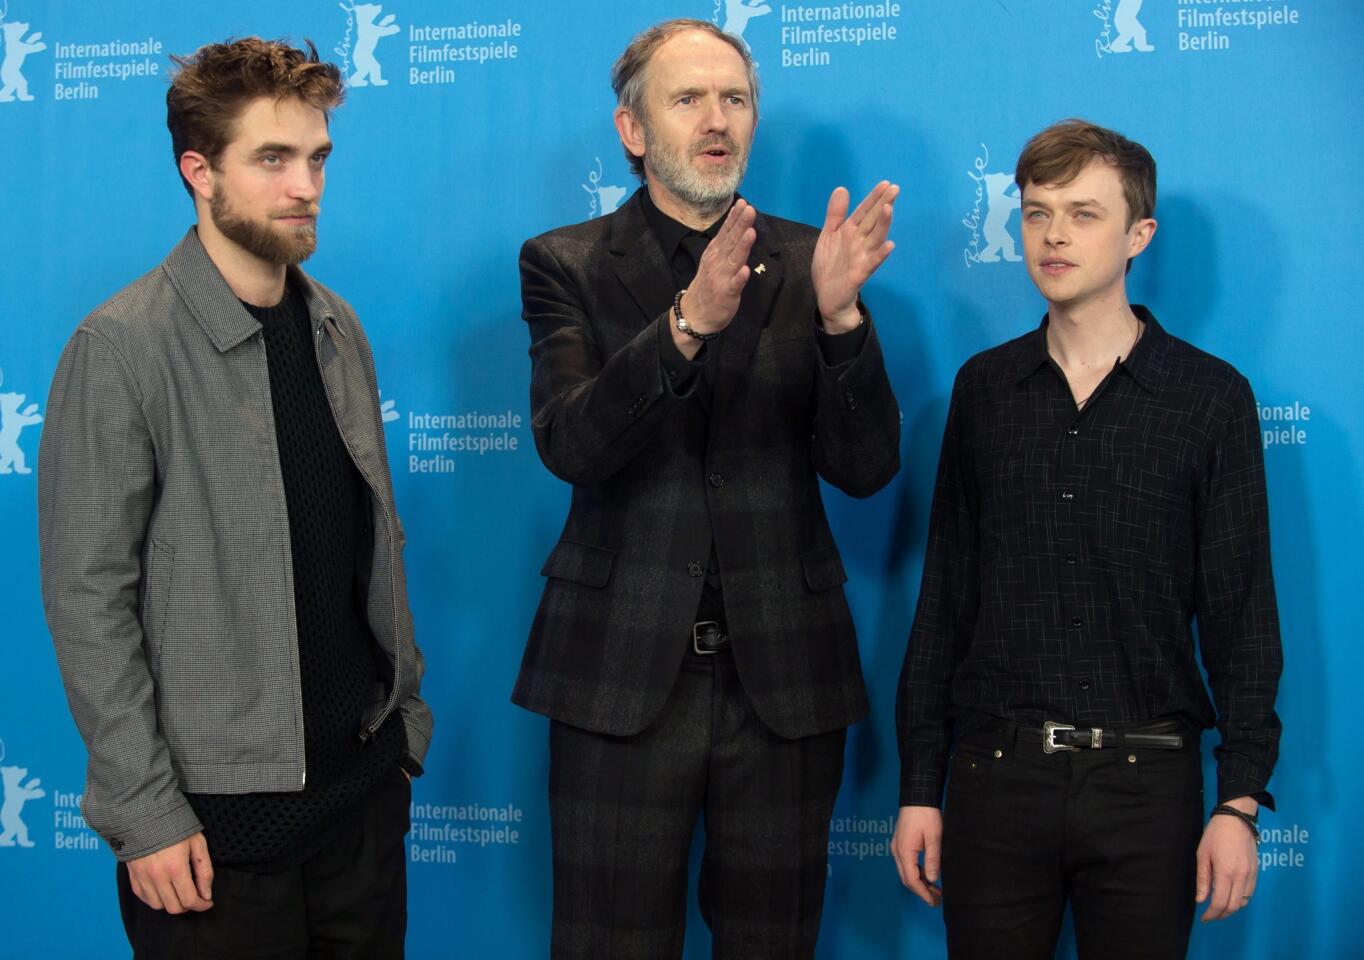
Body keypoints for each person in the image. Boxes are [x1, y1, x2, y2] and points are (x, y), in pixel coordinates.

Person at [512, 18, 901, 959]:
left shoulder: (814, 258)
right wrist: (685, 326)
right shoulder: (563, 263)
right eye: (687, 99)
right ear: (633, 130)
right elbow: (572, 442)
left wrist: (842, 317)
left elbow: (865, 468)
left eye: (734, 99)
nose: (716, 120)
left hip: (784, 680)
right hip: (619, 675)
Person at [37, 37, 431, 958]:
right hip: (210, 835)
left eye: (318, 157)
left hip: (360, 806)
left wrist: (400, 736)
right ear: (199, 172)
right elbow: (87, 601)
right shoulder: (122, 348)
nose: (307, 186)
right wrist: (142, 810)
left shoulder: (338, 327)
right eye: (273, 159)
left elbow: (368, 541)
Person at [892, 119, 1282, 959]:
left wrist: (1238, 800)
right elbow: (945, 600)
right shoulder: (984, 390)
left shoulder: (1210, 399)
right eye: (1036, 213)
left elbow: (1242, 613)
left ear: (1140, 233)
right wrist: (920, 787)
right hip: (997, 779)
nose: (1055, 234)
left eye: (1083, 213)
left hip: (1150, 787)